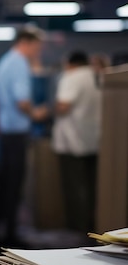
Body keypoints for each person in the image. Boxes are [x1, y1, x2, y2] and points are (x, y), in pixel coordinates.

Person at [0, 26, 48, 247]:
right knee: (14, 185)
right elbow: (23, 101)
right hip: (17, 132)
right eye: (37, 47)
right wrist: (36, 113)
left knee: (5, 184)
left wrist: (4, 110)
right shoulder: (20, 63)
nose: (37, 52)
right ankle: (10, 236)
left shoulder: (5, 61)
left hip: (5, 130)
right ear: (26, 43)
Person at [51, 51, 101, 233]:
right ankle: (92, 223)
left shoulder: (71, 77)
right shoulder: (97, 76)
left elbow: (63, 105)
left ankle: (77, 228)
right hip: (94, 140)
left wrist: (50, 110)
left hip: (72, 141)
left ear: (70, 64)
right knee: (92, 186)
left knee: (73, 186)